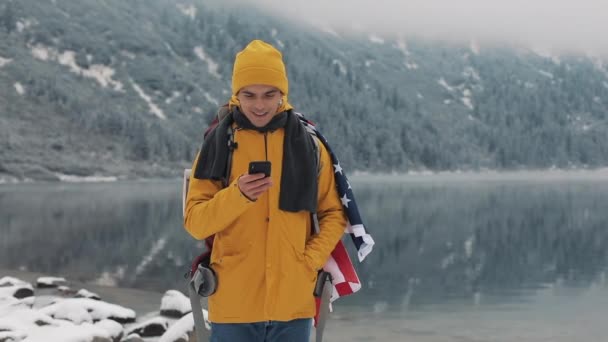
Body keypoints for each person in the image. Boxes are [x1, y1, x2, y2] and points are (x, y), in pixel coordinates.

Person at [184, 39, 347, 342]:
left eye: (269, 94)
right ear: (237, 94)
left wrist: (308, 261)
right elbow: (196, 222)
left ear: (282, 93)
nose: (259, 104)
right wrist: (238, 196)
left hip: (293, 306)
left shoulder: (310, 145)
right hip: (233, 305)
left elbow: (334, 213)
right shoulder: (217, 143)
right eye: (249, 95)